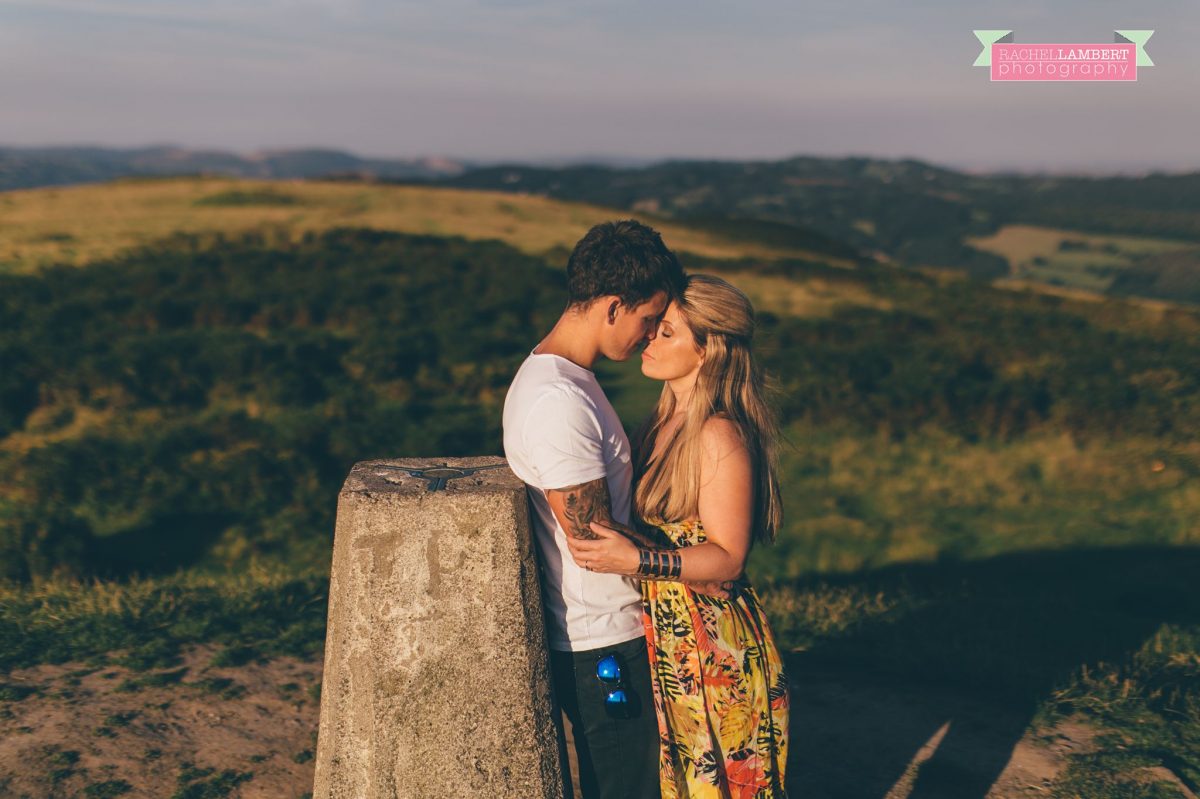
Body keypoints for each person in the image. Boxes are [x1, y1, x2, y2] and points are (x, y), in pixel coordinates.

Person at [502, 220, 729, 799]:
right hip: (603, 643)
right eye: (648, 318)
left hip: (612, 635)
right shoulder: (558, 402)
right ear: (611, 307)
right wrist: (705, 565)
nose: (650, 334)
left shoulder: (570, 381)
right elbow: (596, 545)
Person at [565, 274, 790, 798]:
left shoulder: (718, 433)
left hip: (712, 649)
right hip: (672, 640)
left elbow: (729, 558)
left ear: (709, 350)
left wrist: (637, 560)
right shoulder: (662, 421)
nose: (649, 339)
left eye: (667, 333)